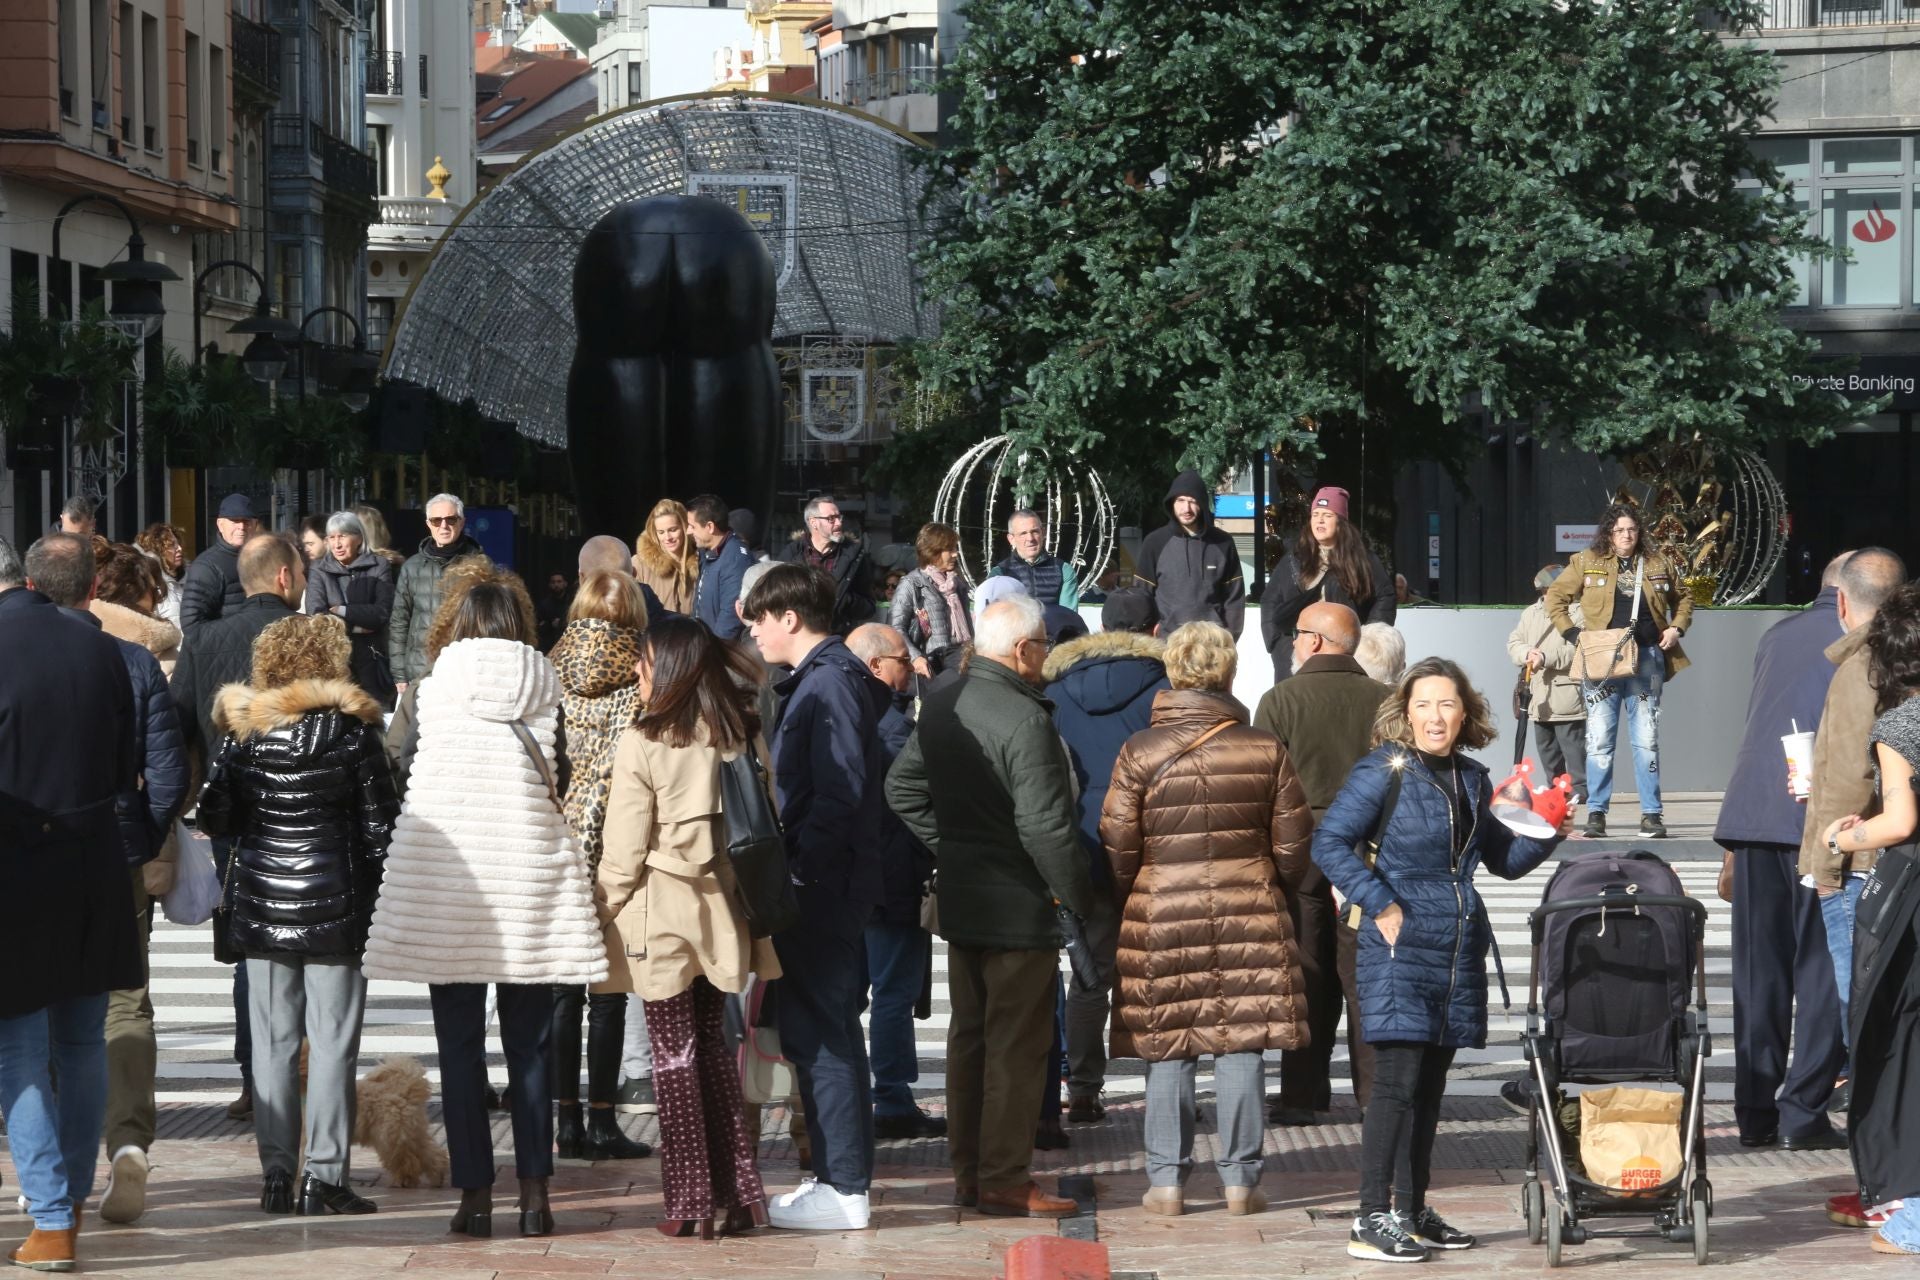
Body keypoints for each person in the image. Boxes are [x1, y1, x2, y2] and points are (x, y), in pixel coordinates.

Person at [363, 569, 608, 1239]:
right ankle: (535, 1197)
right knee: (531, 1050)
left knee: (460, 1050)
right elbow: (558, 773)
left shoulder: (434, 691)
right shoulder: (545, 687)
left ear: (455, 623)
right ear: (521, 623)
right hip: (527, 884)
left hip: (454, 889)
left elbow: (397, 764)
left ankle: (473, 1197)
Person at [1313, 657, 1567, 1263]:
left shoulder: (1473, 780)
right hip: (1399, 946)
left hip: (1453, 948)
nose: (1435, 717)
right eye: (1423, 704)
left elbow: (1503, 861)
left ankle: (1410, 1208)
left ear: (1465, 712)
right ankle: (1370, 1217)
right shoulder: (1384, 770)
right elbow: (1328, 842)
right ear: (1404, 712)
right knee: (1395, 1088)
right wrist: (1380, 904)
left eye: (1446, 704)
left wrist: (1550, 828)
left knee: (1428, 1090)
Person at [887, 594, 1097, 1220]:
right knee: (1014, 1048)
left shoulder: (945, 701)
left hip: (965, 895)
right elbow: (1045, 828)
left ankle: (970, 1172)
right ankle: (1003, 1176)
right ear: (1024, 650)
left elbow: (902, 787)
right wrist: (1075, 895)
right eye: (1042, 649)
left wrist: (953, 846)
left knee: (970, 1041)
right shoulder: (1025, 718)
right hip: (1018, 906)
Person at [1102, 621, 1312, 1215]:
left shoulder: (1139, 749)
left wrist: (1132, 892)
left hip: (1163, 908)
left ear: (1173, 672)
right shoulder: (1263, 746)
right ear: (1228, 673)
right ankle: (1242, 1181)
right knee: (1242, 1042)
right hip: (1250, 906)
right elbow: (1295, 843)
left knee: (1168, 1042)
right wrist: (1280, 884)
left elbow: (1117, 839)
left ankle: (1166, 1182)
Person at [197, 614, 399, 1217]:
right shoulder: (353, 733)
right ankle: (326, 1176)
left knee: (273, 1043)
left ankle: (276, 1173)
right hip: (335, 906)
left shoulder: (245, 734)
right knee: (334, 1044)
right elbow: (378, 829)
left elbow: (216, 818)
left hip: (262, 906)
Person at [597, 615, 780, 1238]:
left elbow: (622, 853)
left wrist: (599, 912)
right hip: (726, 908)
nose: (638, 673)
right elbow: (767, 818)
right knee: (712, 1051)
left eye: (645, 663)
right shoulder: (740, 730)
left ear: (669, 668)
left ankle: (689, 1199)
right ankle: (743, 1192)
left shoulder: (644, 740)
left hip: (662, 911)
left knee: (673, 1058)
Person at [0, 534, 140, 1272]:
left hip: (16, 867)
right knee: (83, 1043)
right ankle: (69, 1204)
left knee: (18, 1051)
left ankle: (53, 1214)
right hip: (91, 860)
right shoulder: (100, 647)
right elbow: (127, 765)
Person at [740, 564, 891, 1230]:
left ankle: (846, 1186)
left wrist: (797, 871)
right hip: (828, 882)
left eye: (758, 619)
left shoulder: (827, 683)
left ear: (789, 618)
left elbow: (838, 790)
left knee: (826, 1034)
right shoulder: (826, 679)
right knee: (816, 1032)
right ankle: (836, 1178)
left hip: (823, 889)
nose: (752, 631)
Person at [43, 542, 190, 1226]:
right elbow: (167, 770)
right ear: (95, 586)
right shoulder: (130, 661)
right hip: (116, 847)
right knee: (126, 1000)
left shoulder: (19, 657)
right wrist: (143, 830)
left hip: (34, 850)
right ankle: (128, 1146)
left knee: (39, 1006)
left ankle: (50, 1164)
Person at [1714, 553, 1855, 1150]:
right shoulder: (1863, 642)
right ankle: (1802, 1110)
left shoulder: (1777, 635)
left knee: (1759, 972)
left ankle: (1754, 1112)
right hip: (1819, 823)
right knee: (1820, 972)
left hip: (1753, 820)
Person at [169, 532, 308, 1121]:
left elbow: (174, 722)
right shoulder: (308, 639)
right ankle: (302, 1076)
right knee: (308, 947)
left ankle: (256, 1079)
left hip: (229, 815)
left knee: (248, 947)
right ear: (283, 578)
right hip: (302, 813)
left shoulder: (203, 640)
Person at [1254, 601, 1391, 1126]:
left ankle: (1301, 1094)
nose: (1292, 643)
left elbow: (1267, 788)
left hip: (1302, 848)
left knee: (1307, 970)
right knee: (1366, 975)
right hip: (1370, 850)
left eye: (1296, 634)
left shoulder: (1280, 700)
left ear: (1312, 641)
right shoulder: (1385, 701)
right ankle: (1375, 1096)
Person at [1043, 586, 1168, 1121]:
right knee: (1156, 972)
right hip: (1149, 843)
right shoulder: (1164, 688)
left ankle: (1085, 1088)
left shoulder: (1059, 688)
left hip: (1082, 844)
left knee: (1090, 972)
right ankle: (1165, 1087)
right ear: (1155, 631)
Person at [1824, 583, 1920, 1254]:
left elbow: (1901, 821)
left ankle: (1910, 1208)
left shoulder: (1903, 722)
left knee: (1899, 1040)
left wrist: (1843, 839)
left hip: (1911, 901)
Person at [547, 570, 654, 1164]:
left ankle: (564, 1121)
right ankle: (603, 1121)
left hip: (558, 845)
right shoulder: (642, 675)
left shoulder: (550, 668)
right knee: (609, 993)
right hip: (616, 844)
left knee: (564, 993)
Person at [846, 623, 945, 1141]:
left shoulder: (854, 714)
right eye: (905, 660)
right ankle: (892, 1095)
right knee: (891, 991)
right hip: (891, 876)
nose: (914, 668)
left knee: (865, 989)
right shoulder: (891, 726)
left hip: (865, 875)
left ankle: (873, 1091)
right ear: (878, 666)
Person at [1545, 503, 1693, 839]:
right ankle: (1596, 813)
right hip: (1602, 665)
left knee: (1646, 740)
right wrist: (1573, 635)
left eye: (1632, 529)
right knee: (1599, 740)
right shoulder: (1586, 561)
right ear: (1609, 533)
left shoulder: (1658, 562)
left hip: (1646, 662)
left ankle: (1651, 815)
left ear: (1639, 532)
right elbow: (1555, 597)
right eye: (1620, 530)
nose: (1627, 535)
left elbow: (1684, 598)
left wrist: (1676, 628)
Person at [1263, 487, 1395, 677]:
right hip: (1298, 657)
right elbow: (1269, 600)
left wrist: (1368, 639)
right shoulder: (1294, 559)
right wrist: (1277, 645)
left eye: (1327, 515)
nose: (1320, 520)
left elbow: (1386, 595)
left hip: (1345, 656)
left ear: (1341, 522)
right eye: (1315, 514)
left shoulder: (1362, 559)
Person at [389, 493, 486, 692]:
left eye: (451, 519)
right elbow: (400, 620)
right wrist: (399, 673)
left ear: (462, 522)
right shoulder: (412, 567)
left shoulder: (480, 565)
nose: (444, 526)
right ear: (428, 523)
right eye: (436, 520)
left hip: (467, 671)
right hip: (421, 670)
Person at [1507, 565, 1588, 801]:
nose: (1546, 595)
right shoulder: (1531, 613)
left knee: (1573, 749)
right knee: (1547, 750)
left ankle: (1580, 791)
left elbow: (1579, 649)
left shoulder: (1578, 613)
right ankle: (1556, 791)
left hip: (1566, 694)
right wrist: (1526, 653)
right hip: (1538, 695)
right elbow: (1514, 642)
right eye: (1544, 591)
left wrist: (1545, 657)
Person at [305, 510, 399, 709]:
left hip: (371, 660)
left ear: (358, 538)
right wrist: (356, 628)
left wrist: (341, 610)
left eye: (343, 536)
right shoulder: (318, 569)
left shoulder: (378, 565)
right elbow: (317, 616)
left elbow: (382, 613)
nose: (337, 544)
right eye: (331, 538)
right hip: (334, 663)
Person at [1136, 470, 1244, 637]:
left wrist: (1229, 639)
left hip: (1212, 644)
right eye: (1181, 500)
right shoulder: (1154, 542)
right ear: (1171, 502)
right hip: (1167, 645)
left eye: (1193, 501)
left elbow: (1234, 598)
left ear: (1201, 504)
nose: (1186, 508)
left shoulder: (1223, 543)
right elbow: (1142, 597)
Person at [774, 495, 879, 634]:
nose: (839, 523)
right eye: (831, 519)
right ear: (813, 522)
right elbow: (775, 598)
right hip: (799, 638)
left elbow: (869, 607)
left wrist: (845, 600)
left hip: (837, 638)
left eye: (839, 517)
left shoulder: (855, 556)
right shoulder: (791, 554)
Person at [890, 522, 973, 679]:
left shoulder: (957, 583)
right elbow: (896, 627)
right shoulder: (912, 583)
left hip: (963, 659)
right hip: (933, 665)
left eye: (955, 548)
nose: (955, 554)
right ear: (933, 551)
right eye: (950, 549)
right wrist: (915, 657)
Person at [178, 493, 260, 633]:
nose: (241, 526)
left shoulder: (263, 559)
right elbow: (191, 623)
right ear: (220, 525)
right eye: (234, 521)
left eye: (246, 521)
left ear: (255, 525)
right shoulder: (206, 566)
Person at [691, 495, 753, 642]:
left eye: (692, 526)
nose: (689, 531)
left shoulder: (735, 559)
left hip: (720, 653)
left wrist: (715, 653)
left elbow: (731, 616)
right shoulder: (707, 552)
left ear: (710, 527)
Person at [993, 509, 1080, 608]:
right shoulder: (999, 574)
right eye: (1023, 533)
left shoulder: (1063, 571)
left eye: (1034, 532)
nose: (1030, 538)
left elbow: (1068, 616)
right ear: (1011, 539)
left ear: (1043, 533)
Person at [633, 498, 701, 615]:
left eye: (673, 530)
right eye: (661, 532)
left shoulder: (702, 561)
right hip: (654, 632)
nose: (667, 537)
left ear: (685, 527)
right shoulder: (639, 564)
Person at [135, 522, 186, 632]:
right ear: (158, 551)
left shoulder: (185, 581)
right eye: (172, 545)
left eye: (178, 544)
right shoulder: (151, 587)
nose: (179, 549)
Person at [536, 573, 572, 652]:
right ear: (549, 584)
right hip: (549, 647)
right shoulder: (544, 605)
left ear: (565, 584)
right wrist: (549, 624)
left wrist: (562, 623)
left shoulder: (572, 604)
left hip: (568, 645)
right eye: (553, 582)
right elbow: (538, 627)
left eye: (559, 582)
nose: (556, 585)